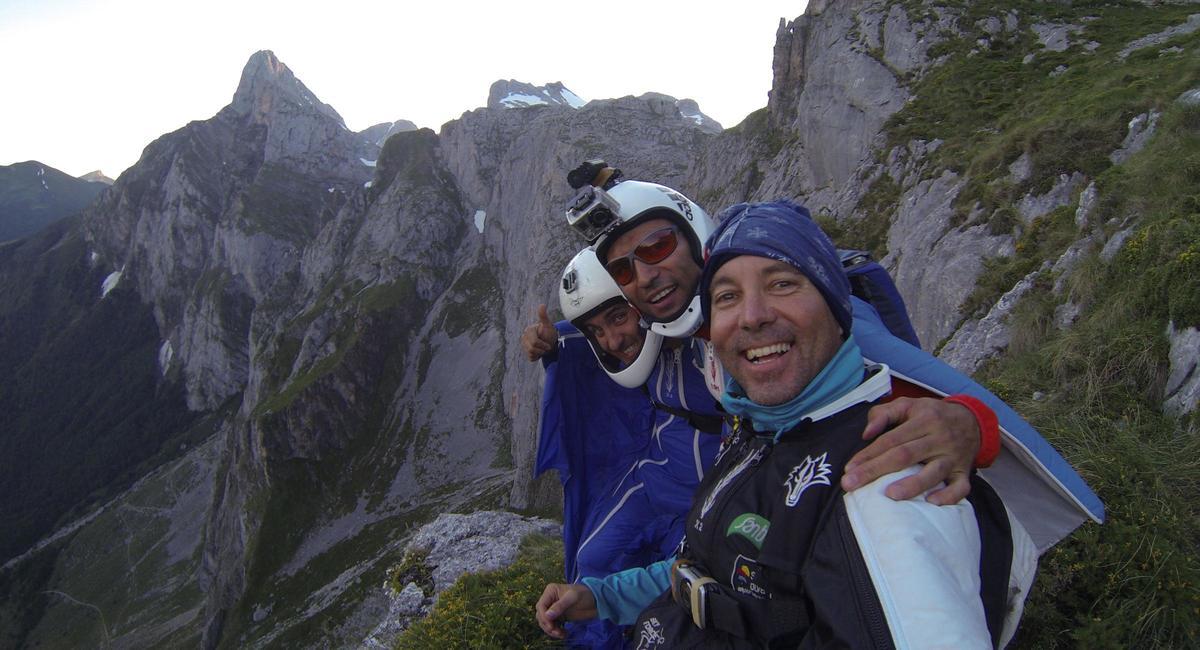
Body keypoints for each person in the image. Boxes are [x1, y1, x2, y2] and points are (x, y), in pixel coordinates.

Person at [535, 200, 1039, 648]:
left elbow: (896, 383)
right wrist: (598, 597)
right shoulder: (747, 407)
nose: (643, 276)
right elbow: (715, 562)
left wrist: (970, 423)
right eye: (623, 270)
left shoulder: (870, 483)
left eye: (658, 246)